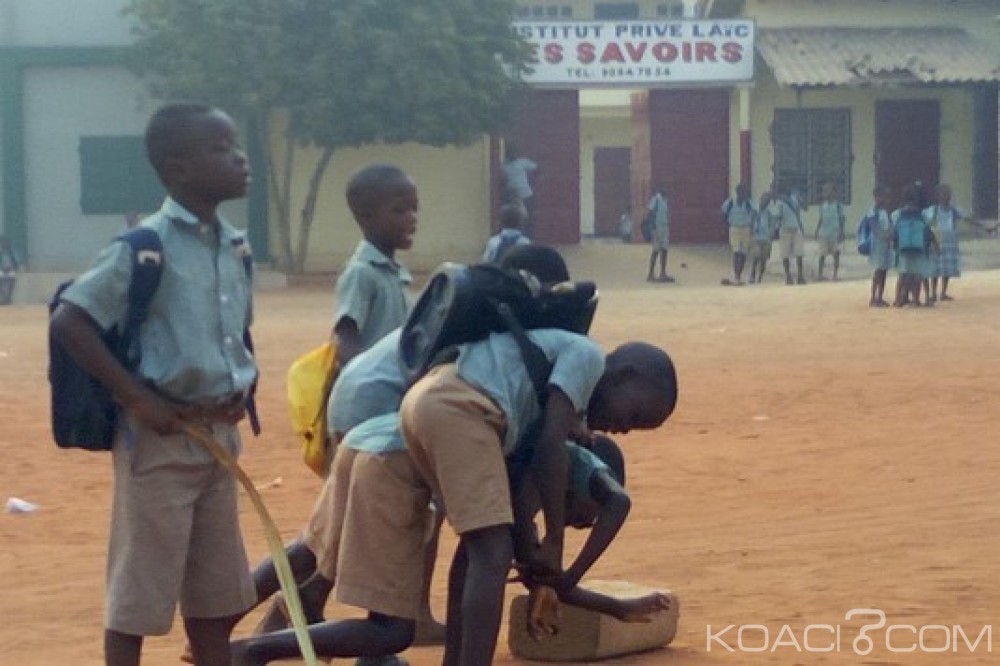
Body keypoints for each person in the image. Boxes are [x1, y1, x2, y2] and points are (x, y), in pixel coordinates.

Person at [49, 103, 257, 666]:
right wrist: (136, 397)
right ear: (178, 169)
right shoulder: (145, 247)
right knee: (139, 593)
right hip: (160, 444)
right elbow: (71, 321)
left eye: (235, 145)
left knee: (215, 599)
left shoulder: (235, 247)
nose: (239, 159)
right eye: (221, 149)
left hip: (219, 439)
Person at [399, 332, 677, 666]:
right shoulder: (588, 357)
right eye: (633, 416)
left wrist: (609, 604)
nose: (623, 430)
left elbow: (542, 577)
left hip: (426, 403)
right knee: (492, 553)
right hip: (461, 408)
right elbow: (552, 447)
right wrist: (555, 541)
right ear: (625, 375)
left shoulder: (529, 454)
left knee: (478, 552)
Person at [333, 164, 417, 367]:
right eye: (400, 210)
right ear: (366, 217)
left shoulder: (397, 273)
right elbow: (346, 338)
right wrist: (357, 377)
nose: (412, 217)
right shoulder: (361, 273)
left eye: (414, 208)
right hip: (372, 381)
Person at [892, 182, 937, 307]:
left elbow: (894, 232)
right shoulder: (923, 214)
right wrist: (934, 244)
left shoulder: (897, 214)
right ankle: (916, 299)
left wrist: (894, 244)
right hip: (919, 248)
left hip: (903, 248)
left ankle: (898, 299)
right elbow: (928, 231)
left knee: (903, 274)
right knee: (917, 274)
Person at [924, 184, 968, 302]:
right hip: (937, 241)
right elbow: (926, 223)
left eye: (948, 194)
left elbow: (967, 219)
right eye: (944, 194)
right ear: (938, 196)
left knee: (947, 268)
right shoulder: (932, 210)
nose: (947, 197)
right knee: (935, 268)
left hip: (950, 243)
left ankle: (943, 292)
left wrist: (984, 227)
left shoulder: (954, 211)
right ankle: (933, 292)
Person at [769, 183, 807, 285]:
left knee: (785, 254)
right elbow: (805, 208)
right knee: (799, 253)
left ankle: (788, 276)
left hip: (785, 229)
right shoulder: (794, 200)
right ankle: (800, 276)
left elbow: (777, 218)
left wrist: (773, 231)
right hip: (795, 228)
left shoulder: (779, 203)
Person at [720, 182, 756, 285]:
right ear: (738, 192)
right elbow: (723, 215)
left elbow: (755, 214)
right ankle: (736, 275)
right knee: (736, 251)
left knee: (743, 253)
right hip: (734, 228)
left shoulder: (749, 204)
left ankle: (739, 274)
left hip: (746, 228)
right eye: (742, 192)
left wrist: (753, 227)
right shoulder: (730, 203)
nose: (744, 194)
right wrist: (725, 227)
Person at [865, 184, 894, 307]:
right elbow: (875, 229)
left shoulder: (885, 211)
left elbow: (890, 225)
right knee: (878, 270)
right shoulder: (872, 212)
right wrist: (886, 236)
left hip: (886, 244)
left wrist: (891, 235)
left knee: (884, 271)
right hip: (878, 244)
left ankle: (880, 296)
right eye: (884, 197)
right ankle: (873, 297)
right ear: (876, 197)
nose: (887, 199)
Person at [502, 146, 539, 238]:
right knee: (515, 218)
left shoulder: (522, 162)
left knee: (529, 218)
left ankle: (529, 237)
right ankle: (517, 237)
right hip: (513, 196)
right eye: (510, 152)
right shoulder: (504, 165)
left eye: (514, 152)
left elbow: (536, 168)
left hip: (526, 195)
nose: (513, 154)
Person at [813, 181, 845, 281]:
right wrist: (817, 230)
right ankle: (820, 274)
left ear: (834, 193)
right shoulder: (823, 205)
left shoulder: (838, 206)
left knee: (836, 254)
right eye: (824, 191)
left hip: (834, 233)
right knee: (822, 254)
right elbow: (821, 218)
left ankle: (835, 275)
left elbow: (842, 219)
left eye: (827, 191)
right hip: (824, 233)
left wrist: (842, 232)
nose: (825, 193)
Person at [645, 184, 673, 283]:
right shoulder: (656, 199)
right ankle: (650, 274)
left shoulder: (666, 200)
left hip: (664, 227)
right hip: (657, 228)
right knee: (656, 250)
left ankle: (663, 273)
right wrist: (652, 227)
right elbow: (650, 213)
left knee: (665, 250)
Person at [748, 188, 774, 284]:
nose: (764, 202)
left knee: (763, 259)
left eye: (767, 201)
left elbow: (772, 224)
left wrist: (771, 235)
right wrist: (751, 233)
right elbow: (751, 223)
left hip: (766, 238)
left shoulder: (769, 212)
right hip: (756, 237)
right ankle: (752, 275)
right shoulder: (755, 210)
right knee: (756, 257)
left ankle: (760, 277)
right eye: (763, 200)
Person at [0, 235, 19, 305]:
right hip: (1, 269)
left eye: (6, 242)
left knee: (13, 278)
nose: (4, 244)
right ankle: (5, 297)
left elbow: (15, 262)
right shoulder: (1, 251)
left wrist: (13, 268)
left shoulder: (12, 251)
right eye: (3, 242)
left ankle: (8, 298)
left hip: (10, 270)